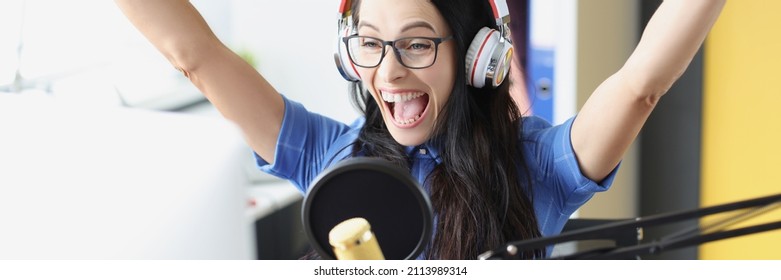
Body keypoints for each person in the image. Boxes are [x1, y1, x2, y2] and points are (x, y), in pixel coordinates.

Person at [114, 0, 726, 259]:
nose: (389, 73)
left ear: (478, 55)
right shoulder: (330, 153)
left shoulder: (536, 163)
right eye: (371, 45)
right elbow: (193, 55)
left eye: (417, 44)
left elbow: (641, 84)